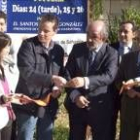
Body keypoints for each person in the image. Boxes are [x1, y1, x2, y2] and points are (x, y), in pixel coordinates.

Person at [13, 13, 67, 140]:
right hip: (28, 103)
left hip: (48, 104)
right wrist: (52, 79)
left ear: (55, 31)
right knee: (25, 137)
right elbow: (27, 73)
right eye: (39, 29)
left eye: (46, 31)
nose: (41, 33)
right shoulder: (28, 45)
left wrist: (57, 89)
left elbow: (61, 73)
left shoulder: (59, 50)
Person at [64, 20, 118, 140]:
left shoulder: (112, 53)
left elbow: (109, 76)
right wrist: (75, 95)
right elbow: (67, 74)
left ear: (103, 37)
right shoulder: (77, 49)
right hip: (77, 109)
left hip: (101, 108)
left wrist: (85, 81)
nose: (89, 39)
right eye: (87, 34)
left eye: (94, 36)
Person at [110, 20, 139, 140]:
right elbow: (118, 78)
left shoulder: (135, 48)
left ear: (134, 34)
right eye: (120, 31)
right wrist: (127, 90)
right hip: (123, 101)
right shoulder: (111, 49)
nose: (122, 34)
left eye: (126, 31)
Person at [115, 49, 140, 140]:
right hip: (129, 110)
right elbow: (118, 80)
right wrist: (127, 90)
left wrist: (135, 81)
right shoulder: (127, 58)